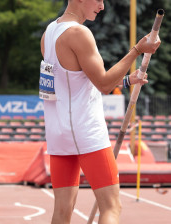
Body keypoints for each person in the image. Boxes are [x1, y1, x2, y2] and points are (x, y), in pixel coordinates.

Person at [39, 0, 161, 223]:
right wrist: (137, 50)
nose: (102, 6)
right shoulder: (78, 33)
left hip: (58, 132)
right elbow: (103, 85)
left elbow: (77, 82)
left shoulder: (49, 32)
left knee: (62, 210)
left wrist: (126, 81)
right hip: (85, 130)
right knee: (111, 207)